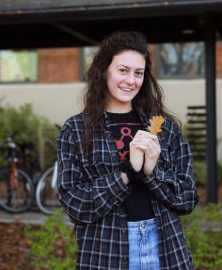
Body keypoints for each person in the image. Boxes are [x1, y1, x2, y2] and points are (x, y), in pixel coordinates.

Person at [57, 30, 199, 270]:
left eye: (138, 73)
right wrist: (127, 173)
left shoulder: (164, 127)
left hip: (165, 247)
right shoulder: (76, 129)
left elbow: (187, 198)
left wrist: (152, 171)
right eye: (123, 70)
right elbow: (76, 205)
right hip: (104, 250)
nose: (131, 80)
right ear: (104, 71)